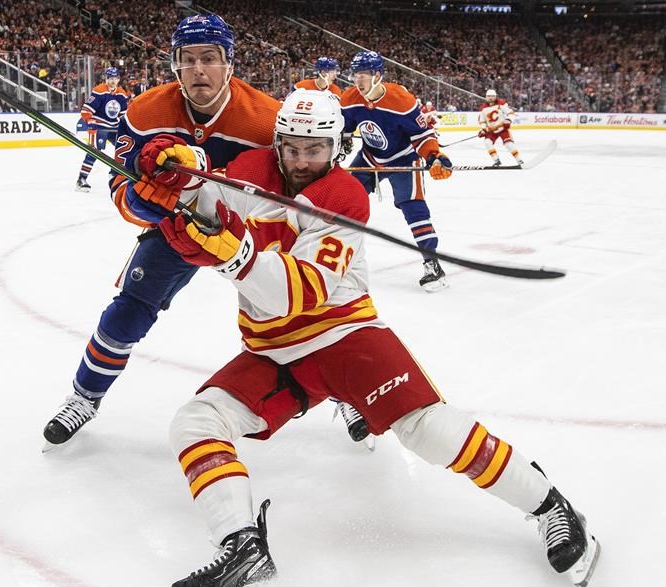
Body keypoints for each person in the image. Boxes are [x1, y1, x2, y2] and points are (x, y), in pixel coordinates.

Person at [142, 89, 600, 587]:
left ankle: (551, 506)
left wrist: (235, 255)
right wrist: (185, 176)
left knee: (429, 431)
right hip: (271, 349)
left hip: (344, 336)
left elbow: (301, 293)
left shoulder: (345, 196)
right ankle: (241, 546)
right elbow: (206, 205)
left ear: (334, 147)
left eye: (313, 149)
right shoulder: (251, 166)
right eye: (291, 147)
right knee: (196, 422)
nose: (300, 160)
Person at [41, 15, 282, 446]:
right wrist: (141, 203)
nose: (199, 70)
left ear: (230, 64)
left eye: (210, 58)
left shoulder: (266, 120)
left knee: (302, 306)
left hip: (247, 227)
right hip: (176, 228)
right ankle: (84, 397)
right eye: (187, 60)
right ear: (174, 64)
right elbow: (121, 186)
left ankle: (343, 391)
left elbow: (291, 189)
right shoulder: (146, 110)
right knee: (128, 310)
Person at [340, 51, 452, 293]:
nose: (358, 81)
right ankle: (338, 255)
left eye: (364, 75)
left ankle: (432, 263)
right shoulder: (349, 98)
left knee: (413, 207)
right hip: (370, 157)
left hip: (403, 159)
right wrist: (342, 138)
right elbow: (343, 126)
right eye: (355, 75)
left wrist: (435, 156)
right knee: (345, 200)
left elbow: (422, 136)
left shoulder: (401, 100)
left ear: (378, 75)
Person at [74, 67, 130, 192]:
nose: (112, 81)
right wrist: (91, 122)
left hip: (115, 128)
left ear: (118, 79)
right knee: (94, 152)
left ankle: (114, 173)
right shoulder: (99, 91)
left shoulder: (121, 93)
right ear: (106, 79)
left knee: (123, 151)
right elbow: (86, 111)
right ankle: (81, 179)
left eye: (115, 78)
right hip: (100, 127)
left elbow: (123, 114)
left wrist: (126, 126)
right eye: (110, 78)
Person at [478, 89, 523, 167]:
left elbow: (511, 113)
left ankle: (519, 160)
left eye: (492, 96)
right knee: (487, 142)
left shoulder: (501, 104)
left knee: (508, 144)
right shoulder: (483, 108)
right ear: (486, 97)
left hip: (502, 129)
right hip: (492, 131)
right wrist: (484, 129)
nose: (491, 98)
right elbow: (482, 121)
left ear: (495, 96)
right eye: (489, 96)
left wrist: (508, 120)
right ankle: (496, 160)